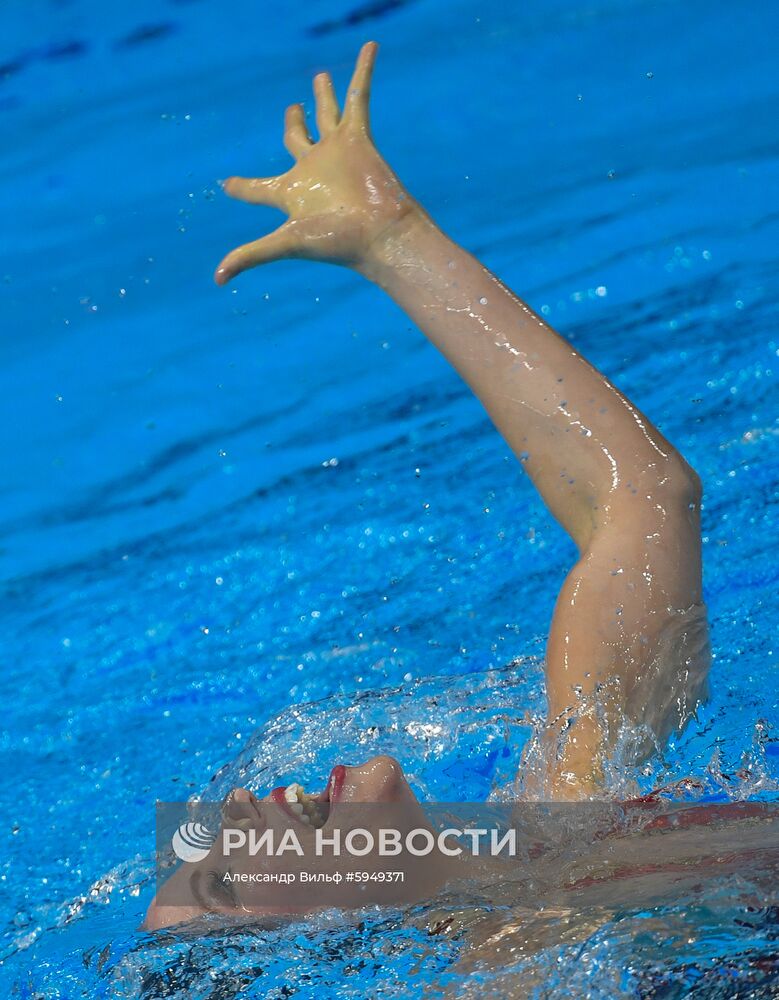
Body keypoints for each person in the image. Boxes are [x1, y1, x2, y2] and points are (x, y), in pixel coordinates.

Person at [144, 41, 714, 931]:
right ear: (300, 950)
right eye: (221, 876)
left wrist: (393, 240)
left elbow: (642, 494)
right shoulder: (525, 964)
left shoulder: (563, 817)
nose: (232, 818)